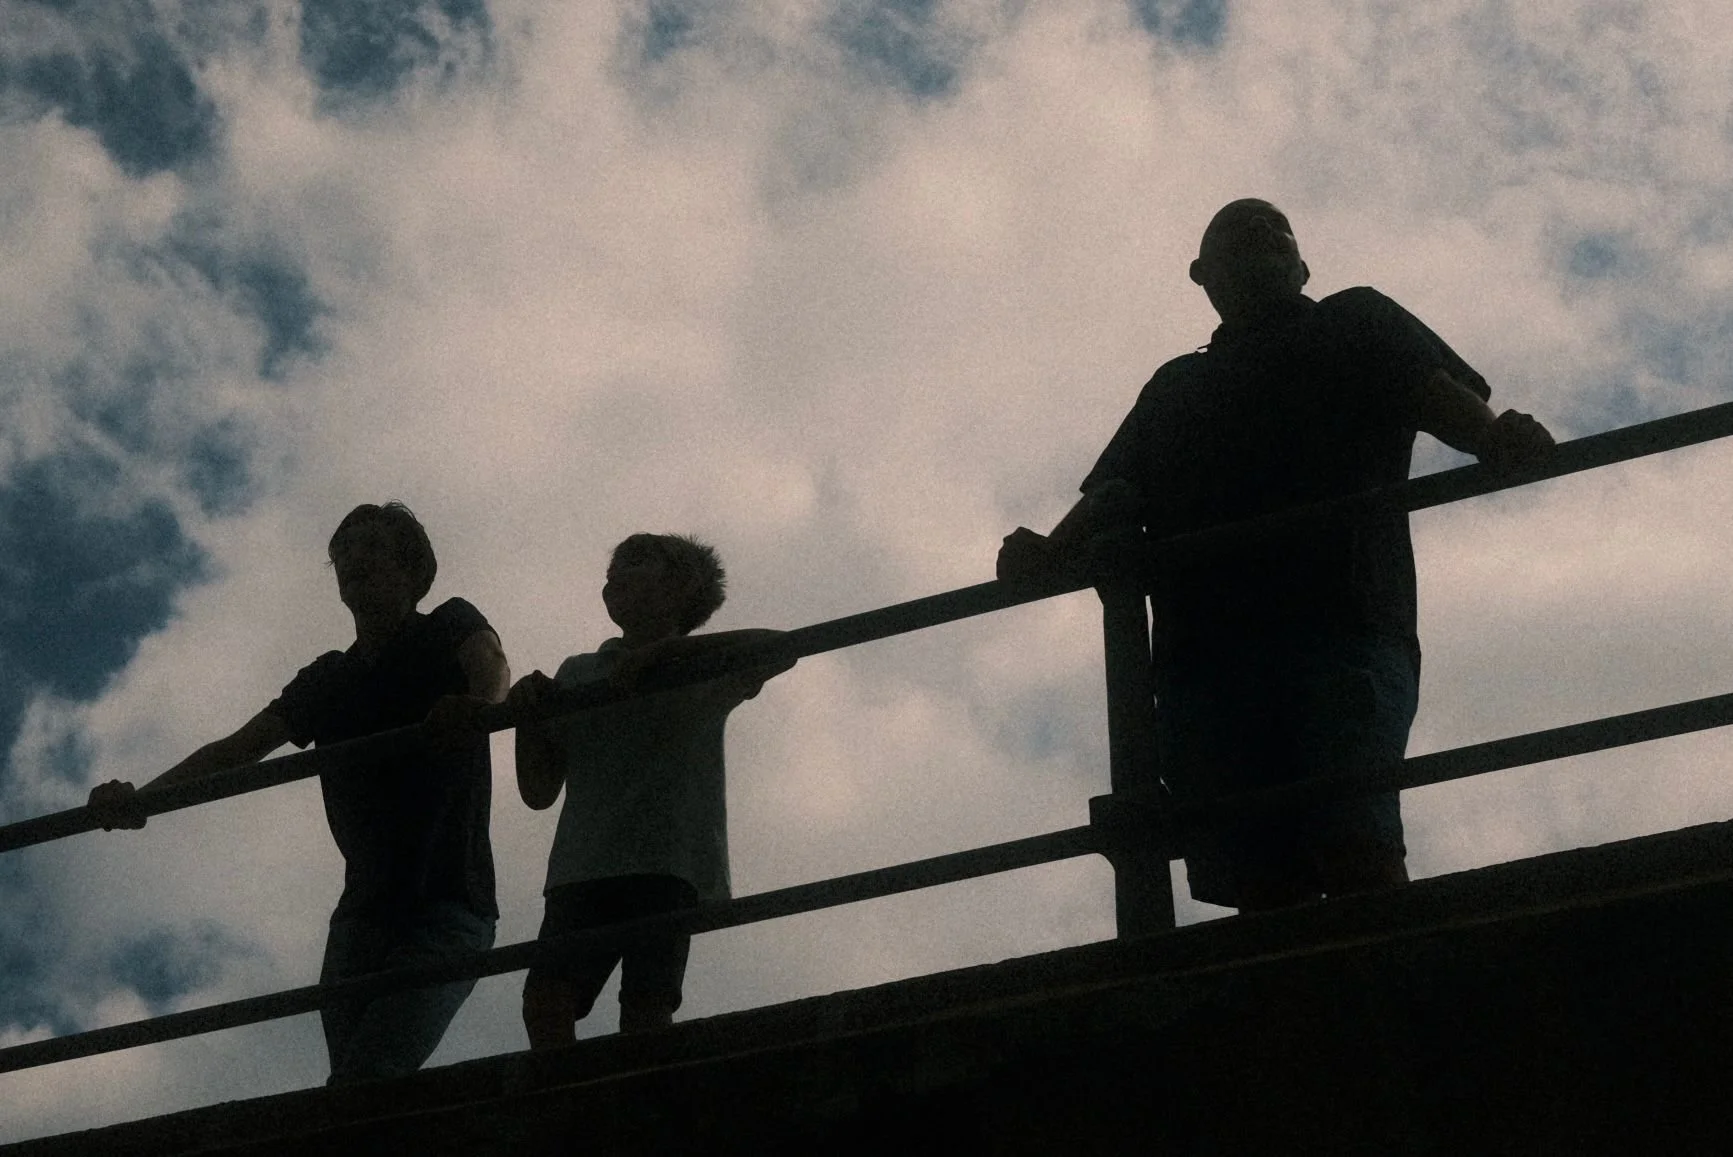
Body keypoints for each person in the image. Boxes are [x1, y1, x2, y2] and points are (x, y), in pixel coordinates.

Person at [998, 199, 1554, 913]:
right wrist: (1047, 552)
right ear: (1200, 274)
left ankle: (1393, 1000)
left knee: (1357, 844)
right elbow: (1115, 493)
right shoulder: (1176, 388)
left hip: (1343, 629)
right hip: (1210, 663)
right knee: (1260, 880)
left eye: (1274, 228)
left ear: (1301, 265)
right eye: (1236, 231)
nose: (1259, 232)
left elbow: (1435, 396)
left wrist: (1493, 439)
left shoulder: (1356, 320)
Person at [87, 501, 509, 1082]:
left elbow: (489, 666)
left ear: (412, 570)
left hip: (450, 902)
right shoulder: (328, 679)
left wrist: (479, 710)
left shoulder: (449, 625)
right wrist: (141, 801)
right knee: (352, 1091)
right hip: (365, 913)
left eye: (372, 548)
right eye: (344, 552)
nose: (353, 561)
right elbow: (237, 751)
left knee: (369, 1075)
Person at [508, 532, 794, 1045]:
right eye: (612, 566)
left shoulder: (700, 667)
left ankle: (633, 1106)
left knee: (647, 1007)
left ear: (681, 586)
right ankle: (566, 1113)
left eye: (636, 562)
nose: (614, 575)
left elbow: (780, 646)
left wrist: (663, 656)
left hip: (668, 862)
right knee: (546, 1002)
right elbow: (539, 790)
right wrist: (527, 718)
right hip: (582, 865)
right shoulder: (579, 672)